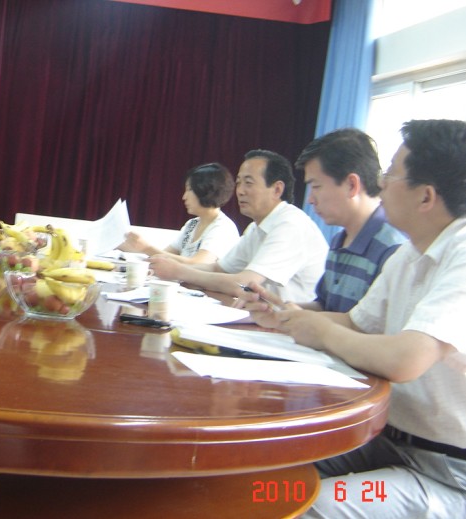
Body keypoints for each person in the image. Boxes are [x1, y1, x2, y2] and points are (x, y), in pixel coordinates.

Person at [246, 120, 465, 518]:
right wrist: (287, 319)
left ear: (426, 196)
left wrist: (322, 331)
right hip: (386, 441)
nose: (381, 183)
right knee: (263, 475)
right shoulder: (410, 253)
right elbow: (355, 322)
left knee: (310, 505)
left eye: (392, 173)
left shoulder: (460, 250)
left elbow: (406, 359)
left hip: (446, 472)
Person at [150, 149, 328, 301]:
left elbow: (245, 283)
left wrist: (180, 272)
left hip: (289, 325)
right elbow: (219, 269)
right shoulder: (255, 228)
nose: (240, 191)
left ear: (277, 189)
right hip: (264, 318)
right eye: (239, 183)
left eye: (248, 183)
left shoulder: (290, 225)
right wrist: (164, 265)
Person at [294, 128, 405, 312]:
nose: (310, 199)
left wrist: (295, 317)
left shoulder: (391, 248)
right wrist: (279, 311)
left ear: (352, 185)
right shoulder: (339, 240)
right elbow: (325, 307)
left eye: (316, 186)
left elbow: (367, 326)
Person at [119, 162, 239, 264]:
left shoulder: (223, 228)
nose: (184, 197)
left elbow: (198, 264)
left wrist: (146, 248)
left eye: (189, 190)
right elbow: (165, 255)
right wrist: (128, 245)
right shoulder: (192, 224)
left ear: (206, 190)